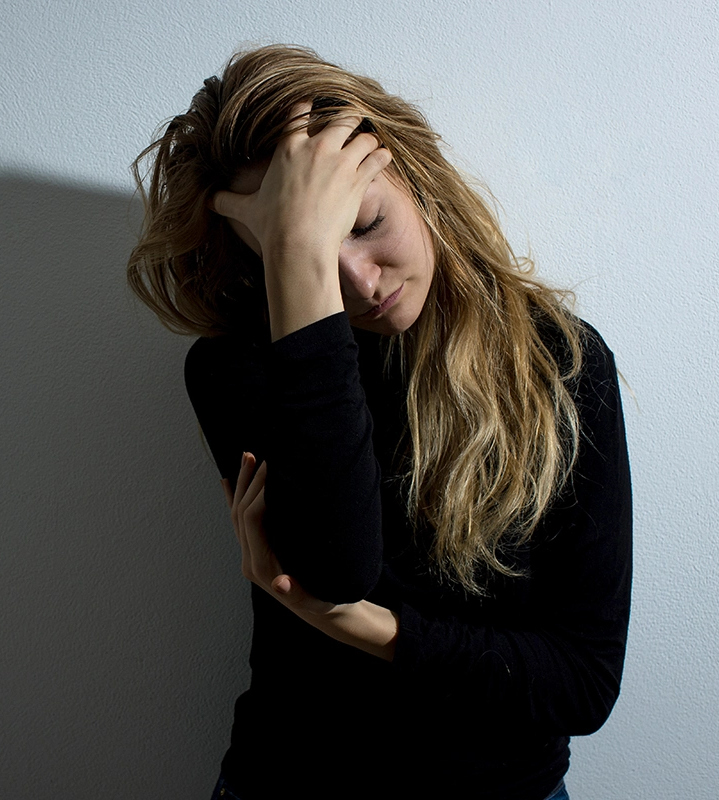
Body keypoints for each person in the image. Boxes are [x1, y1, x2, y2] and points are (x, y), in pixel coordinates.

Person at [127, 45, 631, 799]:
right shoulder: (237, 370)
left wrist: (364, 629)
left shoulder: (557, 363)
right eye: (300, 258)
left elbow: (583, 684)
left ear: (414, 176)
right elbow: (337, 567)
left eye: (364, 224)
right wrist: (297, 265)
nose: (359, 283)